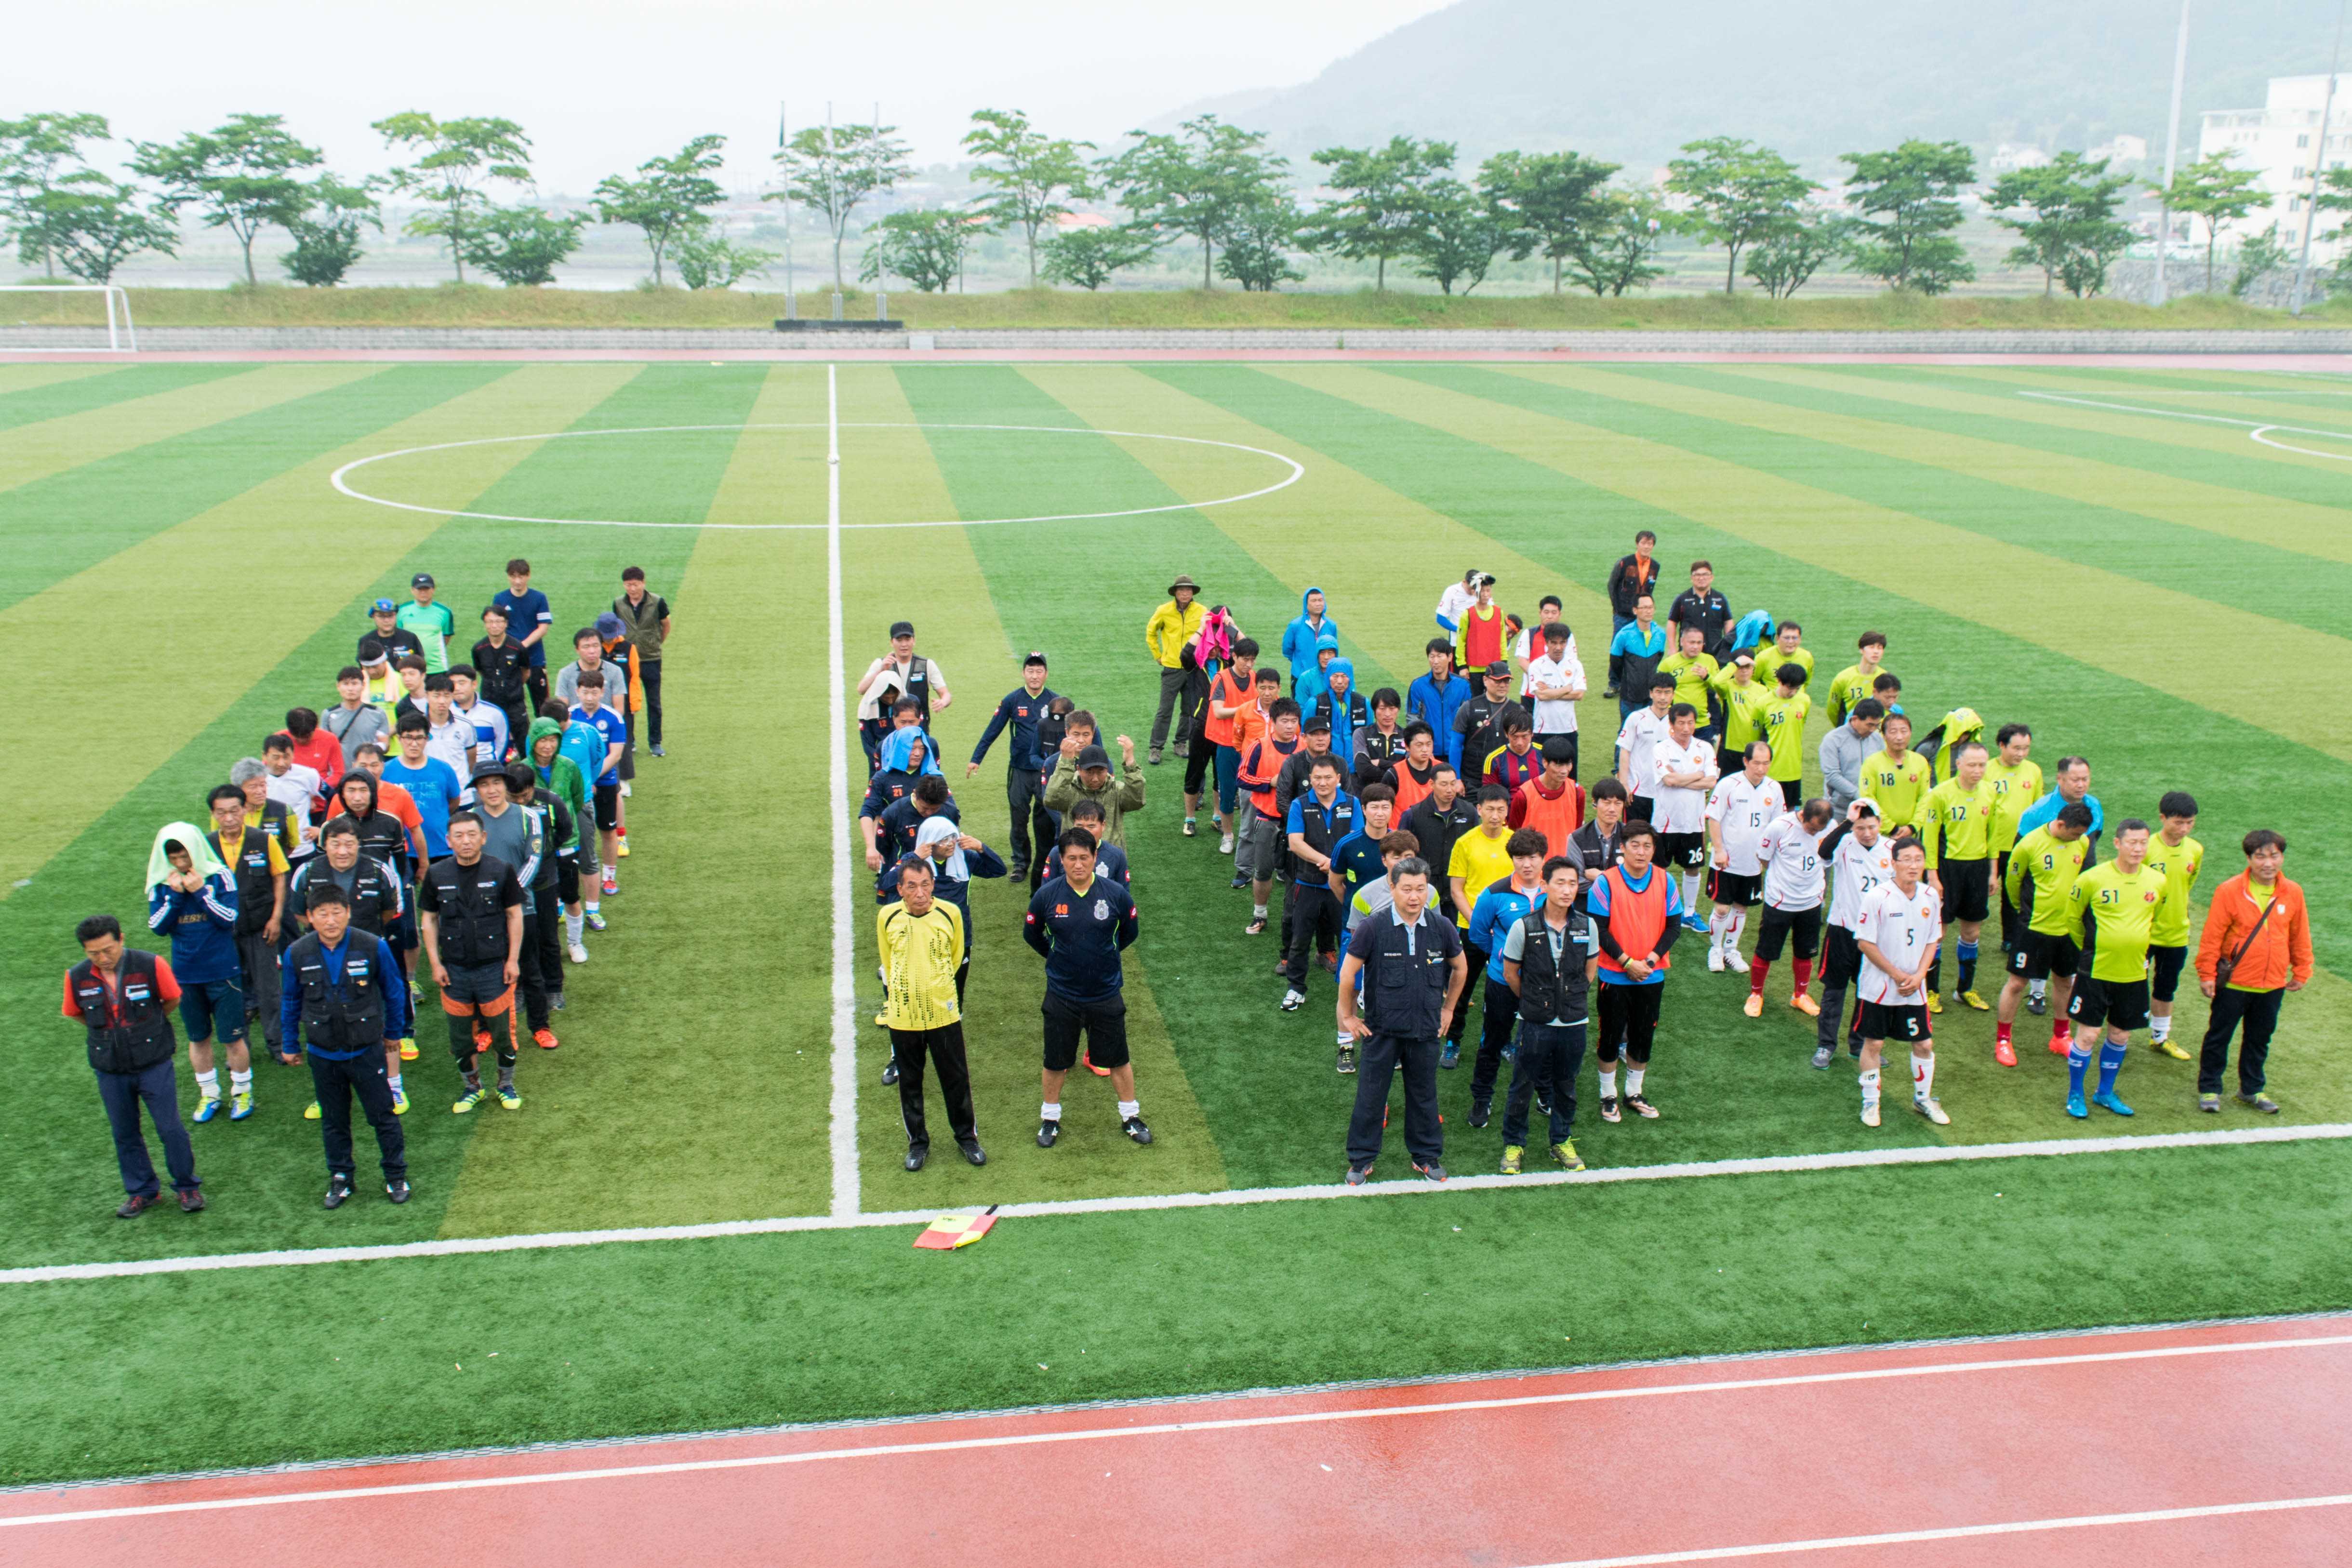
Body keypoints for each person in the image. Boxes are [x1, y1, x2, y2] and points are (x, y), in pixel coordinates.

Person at [279, 884, 411, 1208]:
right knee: (333, 1121)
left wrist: (394, 1033)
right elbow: (290, 1000)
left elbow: (395, 991)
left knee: (383, 1116)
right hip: (322, 1054)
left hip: (366, 1051)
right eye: (322, 914)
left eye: (336, 912)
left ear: (348, 913)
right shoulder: (296, 953)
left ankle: (395, 1175)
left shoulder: (373, 946)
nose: (330, 920)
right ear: (310, 917)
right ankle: (341, 1178)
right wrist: (289, 1043)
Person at [1338, 857, 1467, 1184]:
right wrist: (1348, 1016)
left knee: (1424, 1095)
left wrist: (1448, 1009)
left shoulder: (1442, 927)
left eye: (1420, 889)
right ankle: (1360, 1160)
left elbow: (1460, 968)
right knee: (1371, 1096)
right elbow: (1348, 972)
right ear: (1393, 888)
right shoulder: (1372, 927)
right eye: (1407, 889)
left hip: (1425, 1029)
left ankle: (1426, 1157)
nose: (1414, 896)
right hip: (1381, 1030)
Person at [64, 914, 202, 1216]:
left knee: (170, 1128)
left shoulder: (151, 964)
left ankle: (187, 1186)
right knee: (124, 1133)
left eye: (108, 950)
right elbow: (75, 1013)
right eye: (94, 954)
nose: (103, 959)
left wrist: (145, 1029)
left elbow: (172, 999)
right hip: (110, 1069)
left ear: (121, 939)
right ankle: (142, 1191)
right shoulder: (75, 976)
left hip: (154, 1064)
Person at [1025, 829, 1150, 1148]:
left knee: (1118, 1059)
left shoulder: (1115, 894)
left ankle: (1130, 1116)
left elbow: (1129, 933)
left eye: (1084, 857)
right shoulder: (1046, 896)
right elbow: (1032, 935)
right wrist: (1058, 957)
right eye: (1072, 858)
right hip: (1062, 995)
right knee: (1055, 1061)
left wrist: (1103, 958)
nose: (1078, 864)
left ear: (1095, 858)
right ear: (1061, 860)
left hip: (1105, 993)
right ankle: (1050, 1119)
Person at [2061, 819, 2181, 1120]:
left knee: (2120, 1034)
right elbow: (2072, 920)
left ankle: (2105, 1092)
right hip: (2096, 971)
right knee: (2088, 1035)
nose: (2138, 849)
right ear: (2117, 843)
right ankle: (2075, 1093)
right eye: (2132, 842)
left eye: (2143, 843)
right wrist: (2094, 949)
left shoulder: (2157, 881)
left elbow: (2156, 917)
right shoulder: (2091, 879)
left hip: (2133, 974)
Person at [290, 818, 410, 1112]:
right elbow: (300, 914)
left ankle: (394, 1085)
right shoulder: (306, 872)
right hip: (323, 957)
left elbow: (389, 911)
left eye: (349, 844)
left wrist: (361, 939)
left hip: (369, 954)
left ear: (360, 844)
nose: (343, 851)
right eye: (336, 844)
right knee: (325, 1016)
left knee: (378, 1014)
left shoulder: (380, 871)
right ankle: (327, 1091)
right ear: (324, 845)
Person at [877, 855, 985, 1169]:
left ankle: (967, 1138)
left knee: (956, 1080)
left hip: (944, 1015)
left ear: (933, 885)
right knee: (910, 1083)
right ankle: (917, 1144)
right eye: (912, 886)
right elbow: (888, 960)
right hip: (903, 1017)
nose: (920, 893)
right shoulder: (887, 917)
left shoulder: (950, 914)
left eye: (925, 885)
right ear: (900, 889)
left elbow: (956, 958)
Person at [417, 811, 526, 1114]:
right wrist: (435, 964)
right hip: (454, 972)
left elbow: (514, 915)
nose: (466, 841)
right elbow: (429, 920)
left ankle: (505, 1086)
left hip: (494, 971)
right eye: (459, 836)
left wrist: (512, 960)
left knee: (503, 1035)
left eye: (472, 835)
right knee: (460, 1039)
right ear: (448, 840)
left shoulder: (501, 870)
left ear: (484, 838)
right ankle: (472, 1088)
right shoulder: (437, 874)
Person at [2195, 829, 2310, 1115]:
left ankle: (2251, 1089)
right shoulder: (2229, 891)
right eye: (2260, 857)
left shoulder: (2293, 892)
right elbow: (2212, 936)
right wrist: (2207, 974)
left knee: (2259, 1039)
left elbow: (2299, 934)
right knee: (2219, 1037)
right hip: (2235, 983)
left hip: (2272, 984)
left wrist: (2302, 969)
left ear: (2282, 857)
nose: (2268, 863)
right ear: (2249, 859)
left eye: (2274, 856)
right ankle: (2210, 1088)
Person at [1498, 856, 1600, 1173]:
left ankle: (1561, 1140)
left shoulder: (1587, 926)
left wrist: (1570, 997)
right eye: (1560, 883)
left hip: (1574, 1022)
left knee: (1566, 1085)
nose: (1567, 890)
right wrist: (1535, 1001)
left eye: (1573, 884)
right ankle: (1514, 1144)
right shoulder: (1524, 926)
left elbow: (1590, 970)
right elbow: (1510, 973)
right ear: (1545, 885)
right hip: (1534, 1023)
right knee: (1522, 1084)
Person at [145, 824, 250, 1122]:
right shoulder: (161, 885)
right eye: (174, 858)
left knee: (232, 1038)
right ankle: (210, 1094)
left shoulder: (220, 875)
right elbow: (157, 927)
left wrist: (200, 893)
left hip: (223, 972)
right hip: (186, 976)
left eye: (185, 856)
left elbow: (229, 919)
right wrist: (176, 897)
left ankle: (242, 1092)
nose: (180, 864)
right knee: (198, 1037)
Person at [1587, 821, 1681, 1122]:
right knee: (1610, 1036)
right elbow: (1599, 928)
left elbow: (1674, 927)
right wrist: (1628, 962)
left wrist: (1648, 962)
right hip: (1614, 975)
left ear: (1654, 850)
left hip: (1651, 975)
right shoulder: (1605, 882)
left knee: (1643, 1036)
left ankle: (1633, 1093)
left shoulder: (1666, 881)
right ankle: (1608, 1096)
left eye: (1647, 846)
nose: (1641, 852)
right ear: (1623, 848)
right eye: (1635, 845)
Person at [1853, 837, 1946, 1128]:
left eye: (1918, 860)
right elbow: (1864, 943)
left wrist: (1920, 976)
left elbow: (1933, 940)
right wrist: (1896, 974)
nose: (1913, 865)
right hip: (1879, 988)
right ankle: (1870, 1103)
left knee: (1924, 1043)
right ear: (1893, 863)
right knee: (1874, 1043)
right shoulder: (1877, 897)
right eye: (1906, 859)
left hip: (1914, 988)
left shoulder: (1930, 896)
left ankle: (1923, 1099)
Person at [1995, 803, 2094, 1066]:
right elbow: (2012, 882)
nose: (2078, 838)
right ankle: (2003, 1041)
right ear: (2061, 825)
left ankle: (2061, 1037)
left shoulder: (2082, 842)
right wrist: (2023, 912)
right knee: (2017, 984)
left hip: (2067, 929)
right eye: (2075, 833)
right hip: (2034, 928)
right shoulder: (2029, 845)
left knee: (2065, 982)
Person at [1465, 828, 1551, 1127]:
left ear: (1543, 858)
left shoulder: (1555, 890)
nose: (1527, 864)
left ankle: (1546, 1095)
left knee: (1544, 1040)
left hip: (1544, 984)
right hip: (1502, 983)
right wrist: (1504, 957)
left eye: (1533, 857)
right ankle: (1482, 1099)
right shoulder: (1494, 894)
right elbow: (1478, 934)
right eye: (1520, 858)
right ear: (1511, 859)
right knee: (1493, 1041)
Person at [469, 763, 557, 1051]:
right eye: (485, 785)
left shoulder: (529, 817)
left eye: (497, 783)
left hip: (522, 909)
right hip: (482, 913)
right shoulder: (470, 819)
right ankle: (486, 1029)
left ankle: (540, 1027)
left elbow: (534, 860)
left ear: (505, 785)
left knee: (530, 969)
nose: (492, 790)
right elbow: (466, 862)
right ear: (477, 790)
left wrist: (507, 895)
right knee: (485, 972)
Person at [1913, 740, 1998, 1014]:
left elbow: (1993, 835)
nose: (1978, 770)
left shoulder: (1990, 792)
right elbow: (1929, 837)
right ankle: (1932, 991)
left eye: (1982, 765)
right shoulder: (1940, 794)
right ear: (1959, 764)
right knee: (1939, 932)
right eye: (1972, 765)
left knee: (1972, 932)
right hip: (1947, 869)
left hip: (1978, 869)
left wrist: (1993, 872)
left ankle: (1964, 990)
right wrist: (1933, 877)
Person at [204, 783, 288, 1062]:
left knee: (269, 990)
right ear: (214, 815)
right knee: (231, 991)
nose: (229, 818)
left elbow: (279, 877)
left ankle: (277, 1045)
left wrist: (276, 918)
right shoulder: (205, 846)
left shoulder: (264, 840)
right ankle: (240, 1049)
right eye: (222, 812)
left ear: (244, 810)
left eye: (234, 811)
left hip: (261, 928)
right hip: (222, 932)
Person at [1815, 801, 1895, 1070]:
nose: (1867, 833)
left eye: (1871, 827)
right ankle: (1826, 1045)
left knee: (1867, 991)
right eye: (1860, 828)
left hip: (1874, 936)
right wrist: (1847, 823)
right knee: (1834, 991)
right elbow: (1823, 852)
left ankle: (1858, 1043)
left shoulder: (1892, 849)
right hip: (1842, 929)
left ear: (1880, 824)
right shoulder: (1845, 842)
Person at [967, 652, 1060, 881]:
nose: (1035, 676)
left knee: (1047, 820)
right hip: (1019, 771)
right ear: (1024, 673)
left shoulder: (1056, 702)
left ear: (1046, 674)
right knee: (1019, 820)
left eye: (1039, 671)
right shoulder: (1012, 700)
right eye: (1031, 671)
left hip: (1046, 771)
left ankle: (1048, 862)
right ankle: (1020, 863)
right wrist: (976, 758)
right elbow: (993, 729)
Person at [1443, 785, 1515, 1069]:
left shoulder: (1515, 843)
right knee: (1462, 986)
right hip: (1471, 929)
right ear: (1479, 810)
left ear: (1507, 811)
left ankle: (1503, 1039)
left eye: (1501, 810)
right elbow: (1457, 890)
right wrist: (1479, 923)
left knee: (1506, 989)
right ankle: (1453, 1041)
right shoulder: (1465, 843)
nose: (1495, 815)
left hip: (1508, 933)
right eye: (1490, 809)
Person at [1743, 797, 1834, 1020]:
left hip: (1811, 902)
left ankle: (1800, 995)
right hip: (1780, 902)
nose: (1814, 833)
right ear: (1802, 815)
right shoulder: (1779, 827)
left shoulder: (1831, 828)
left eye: (1818, 831)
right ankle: (1756, 994)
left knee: (1805, 952)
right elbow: (1763, 857)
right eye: (1811, 829)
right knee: (1766, 951)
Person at [1282, 756, 1359, 1013]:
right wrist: (1328, 862)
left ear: (1338, 779)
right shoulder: (1299, 804)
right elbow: (1295, 843)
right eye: (1317, 778)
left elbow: (1356, 838)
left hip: (1343, 887)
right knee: (1299, 940)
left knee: (1350, 939)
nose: (1323, 783)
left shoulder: (1353, 803)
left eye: (1328, 778)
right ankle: (1296, 988)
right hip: (1308, 883)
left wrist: (1335, 865)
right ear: (1310, 779)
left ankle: (1357, 989)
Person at [2141, 792, 2205, 1060]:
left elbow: (2186, 885)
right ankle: (2117, 1036)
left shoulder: (2195, 850)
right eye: (2179, 822)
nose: (2185, 829)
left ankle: (2160, 1038)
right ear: (2163, 818)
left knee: (2166, 987)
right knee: (2131, 987)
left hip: (2177, 933)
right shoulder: (2146, 848)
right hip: (2143, 933)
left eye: (2190, 823)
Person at [1702, 741, 1776, 972]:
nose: (1761, 769)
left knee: (1741, 908)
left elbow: (1777, 826)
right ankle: (1716, 949)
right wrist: (1719, 850)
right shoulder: (1728, 785)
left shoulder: (1774, 789)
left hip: (1753, 863)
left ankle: (1731, 949)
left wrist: (1770, 857)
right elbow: (1714, 818)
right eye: (1756, 763)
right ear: (1746, 761)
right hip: (1726, 861)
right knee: (1722, 909)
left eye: (1766, 763)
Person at [528, 715, 594, 962]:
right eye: (543, 740)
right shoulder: (523, 769)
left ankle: (575, 943)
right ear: (533, 741)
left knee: (570, 894)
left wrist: (565, 823)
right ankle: (540, 945)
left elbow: (577, 798)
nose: (548, 746)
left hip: (566, 843)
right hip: (535, 845)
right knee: (538, 898)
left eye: (553, 740)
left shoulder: (568, 766)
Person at [1649, 701, 1718, 931]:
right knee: (1658, 869)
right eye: (1681, 723)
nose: (1686, 728)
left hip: (1694, 823)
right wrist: (1697, 776)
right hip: (1665, 823)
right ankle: (1656, 911)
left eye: (1690, 723)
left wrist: (1681, 779)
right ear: (1672, 724)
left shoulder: (1705, 748)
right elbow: (1668, 781)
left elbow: (1711, 781)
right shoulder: (1662, 749)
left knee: (1693, 868)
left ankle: (1689, 913)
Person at [1239, 698, 1303, 934]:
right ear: (1273, 722)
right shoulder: (1259, 746)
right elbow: (1242, 778)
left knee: (1297, 873)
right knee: (1264, 870)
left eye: (1294, 721)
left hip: (1299, 821)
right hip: (1267, 818)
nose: (1290, 726)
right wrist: (1270, 782)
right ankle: (1260, 914)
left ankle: (1296, 917)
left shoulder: (1306, 746)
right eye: (1284, 721)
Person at [1984, 723, 2043, 961]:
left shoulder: (2034, 771)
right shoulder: (1986, 770)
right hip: (1989, 846)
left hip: (2021, 846)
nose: (2021, 753)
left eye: (2025, 748)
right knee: (1982, 891)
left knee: (2014, 895)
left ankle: (2010, 939)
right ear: (2002, 745)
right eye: (2016, 748)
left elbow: (2038, 808)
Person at [569, 669, 628, 897]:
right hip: (574, 785)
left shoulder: (614, 718)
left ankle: (609, 877)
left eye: (594, 693)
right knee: (573, 832)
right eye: (585, 692)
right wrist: (582, 781)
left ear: (603, 692)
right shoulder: (569, 716)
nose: (590, 698)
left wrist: (590, 779)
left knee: (608, 831)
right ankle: (574, 877)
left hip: (605, 783)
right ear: (577, 692)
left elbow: (615, 755)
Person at [381, 712, 465, 866]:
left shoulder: (443, 769)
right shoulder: (386, 771)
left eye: (419, 738)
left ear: (427, 739)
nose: (414, 744)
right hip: (401, 848)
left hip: (440, 846)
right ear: (399, 739)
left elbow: (454, 801)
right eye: (409, 737)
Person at [1143, 573, 1205, 765]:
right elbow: (1150, 632)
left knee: (1189, 709)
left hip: (1194, 669)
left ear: (1193, 592)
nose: (1185, 593)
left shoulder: (1202, 611)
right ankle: (1156, 748)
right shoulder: (1164, 611)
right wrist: (1158, 655)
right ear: (1175, 593)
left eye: (1188, 590)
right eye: (1181, 590)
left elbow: (1208, 636)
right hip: (1171, 668)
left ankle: (1181, 743)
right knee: (1165, 710)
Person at [1045, 736, 1148, 848]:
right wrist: (1065, 763)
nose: (1095, 779)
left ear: (1107, 768)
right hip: (1076, 854)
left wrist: (1130, 763)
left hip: (1110, 855)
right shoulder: (1069, 791)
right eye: (1089, 772)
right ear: (1079, 769)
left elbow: (1136, 801)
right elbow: (1052, 801)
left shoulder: (1117, 791)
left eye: (1100, 772)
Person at [610, 567, 670, 756]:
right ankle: (630, 740)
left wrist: (656, 643)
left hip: (651, 659)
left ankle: (655, 742)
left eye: (636, 585)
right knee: (626, 702)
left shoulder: (657, 602)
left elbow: (666, 625)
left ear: (643, 583)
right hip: (627, 660)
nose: (632, 589)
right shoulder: (618, 604)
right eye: (628, 585)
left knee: (654, 702)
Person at [1519, 621, 1585, 778]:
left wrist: (1550, 691)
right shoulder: (1536, 665)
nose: (1558, 647)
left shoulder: (1575, 665)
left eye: (1562, 643)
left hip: (1568, 729)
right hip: (1543, 730)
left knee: (1569, 776)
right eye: (1554, 643)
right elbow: (1541, 696)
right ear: (1547, 643)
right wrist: (1567, 688)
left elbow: (1579, 695)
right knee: (1542, 775)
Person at [491, 558, 555, 716]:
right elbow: (497, 625)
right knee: (509, 704)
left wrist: (522, 646)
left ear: (528, 576)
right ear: (508, 577)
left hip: (535, 660)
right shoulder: (500, 599)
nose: (518, 581)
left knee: (542, 706)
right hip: (509, 659)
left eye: (521, 577)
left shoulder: (539, 598)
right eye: (513, 577)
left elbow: (543, 628)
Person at [1856, 711, 1931, 840]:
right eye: (1893, 732)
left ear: (1910, 733)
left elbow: (1925, 798)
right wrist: (1892, 828)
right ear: (1884, 736)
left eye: (1904, 731)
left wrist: (1913, 827)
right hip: (1880, 836)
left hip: (1912, 835)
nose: (1900, 737)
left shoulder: (1920, 761)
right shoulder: (1872, 763)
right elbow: (1868, 799)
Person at [1507, 738, 1584, 861]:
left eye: (1568, 764)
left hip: (1566, 865)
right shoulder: (1524, 795)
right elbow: (1514, 834)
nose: (1564, 771)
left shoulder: (1577, 793)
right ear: (1545, 763)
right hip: (1534, 867)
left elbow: (1578, 832)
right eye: (1558, 765)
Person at [1614, 673, 1676, 823]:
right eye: (1658, 692)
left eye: (1667, 693)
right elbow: (1625, 751)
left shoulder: (1678, 722)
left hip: (1667, 792)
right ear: (1651, 694)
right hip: (1638, 792)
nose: (1663, 698)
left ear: (1673, 695)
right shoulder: (1636, 718)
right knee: (1634, 834)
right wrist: (1624, 784)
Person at [473, 605, 534, 752]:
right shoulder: (478, 649)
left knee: (523, 740)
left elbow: (525, 672)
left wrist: (513, 686)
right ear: (485, 624)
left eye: (498, 621)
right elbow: (481, 671)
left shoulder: (518, 648)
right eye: (490, 622)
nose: (494, 626)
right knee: (491, 740)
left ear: (506, 623)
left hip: (514, 703)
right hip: (490, 702)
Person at [1408, 638, 1473, 771]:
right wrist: (1424, 748)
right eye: (1432, 657)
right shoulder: (1418, 685)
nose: (1435, 661)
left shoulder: (1463, 685)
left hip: (1457, 751)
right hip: (1428, 753)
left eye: (1440, 656)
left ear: (1450, 657)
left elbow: (1469, 719)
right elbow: (1413, 719)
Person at [1604, 532, 1660, 685]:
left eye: (1650, 544)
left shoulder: (1655, 566)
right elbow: (1612, 585)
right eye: (1644, 543)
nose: (1646, 547)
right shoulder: (1625, 563)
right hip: (1622, 614)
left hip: (1642, 615)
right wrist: (1618, 607)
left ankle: (1637, 681)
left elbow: (1649, 590)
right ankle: (1615, 683)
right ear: (1637, 544)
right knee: (1618, 648)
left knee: (1641, 647)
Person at [1707, 651, 1771, 783]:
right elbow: (1717, 682)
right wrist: (1734, 664)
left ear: (1753, 668)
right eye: (1740, 667)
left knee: (1752, 783)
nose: (1744, 671)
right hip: (1730, 746)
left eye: (1748, 666)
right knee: (1726, 784)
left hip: (1753, 747)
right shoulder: (1728, 687)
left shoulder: (1763, 690)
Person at [1754, 663, 1810, 811]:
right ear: (1780, 681)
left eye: (1797, 688)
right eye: (1790, 688)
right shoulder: (1763, 704)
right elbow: (1756, 736)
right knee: (1767, 809)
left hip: (1793, 768)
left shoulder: (1805, 700)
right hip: (1770, 769)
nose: (1794, 692)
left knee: (1791, 811)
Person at [1454, 662, 1520, 783]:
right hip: (1473, 779)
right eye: (1498, 681)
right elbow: (1456, 745)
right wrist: (1457, 779)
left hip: (1507, 779)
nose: (1503, 685)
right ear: (1485, 680)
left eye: (1507, 681)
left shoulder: (1518, 710)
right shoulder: (1469, 707)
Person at [1819, 698, 1886, 815]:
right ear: (1855, 719)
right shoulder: (1833, 739)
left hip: (1870, 808)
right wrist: (1860, 795)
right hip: (1839, 809)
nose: (1873, 730)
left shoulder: (1877, 739)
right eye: (1870, 725)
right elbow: (1832, 776)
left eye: (1877, 725)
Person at [1658, 625, 1720, 749]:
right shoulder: (1669, 664)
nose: (1696, 646)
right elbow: (1658, 690)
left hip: (1702, 723)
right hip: (1677, 723)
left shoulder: (1709, 661)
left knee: (1703, 758)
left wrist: (1707, 677)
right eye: (1692, 643)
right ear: (1682, 642)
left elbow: (1720, 688)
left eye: (1699, 643)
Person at [1607, 595, 1668, 719]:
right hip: (1630, 697)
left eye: (1651, 607)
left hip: (1651, 695)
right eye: (1644, 608)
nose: (1649, 611)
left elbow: (1658, 658)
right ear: (1635, 610)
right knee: (1628, 728)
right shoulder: (1624, 635)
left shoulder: (1660, 633)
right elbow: (1615, 663)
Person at [324, 668, 391, 771]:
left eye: (355, 684)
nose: (350, 689)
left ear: (363, 685)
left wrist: (372, 750)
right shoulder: (328, 715)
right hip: (338, 774)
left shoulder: (378, 714)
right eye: (346, 684)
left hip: (368, 774)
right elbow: (324, 746)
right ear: (338, 686)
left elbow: (385, 744)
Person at [1569, 777, 1629, 891]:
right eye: (1607, 803)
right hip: (1587, 902)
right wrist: (1619, 884)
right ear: (1594, 804)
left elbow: (1637, 877)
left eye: (1618, 804)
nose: (1612, 809)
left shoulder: (1631, 836)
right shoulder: (1577, 838)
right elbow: (1576, 883)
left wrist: (1600, 876)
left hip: (1623, 902)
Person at [1352, 686, 1410, 800]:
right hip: (1369, 795)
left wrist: (1380, 763)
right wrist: (1396, 771)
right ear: (1374, 710)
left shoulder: (1407, 735)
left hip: (1400, 795)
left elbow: (1409, 768)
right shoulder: (1362, 733)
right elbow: (1364, 770)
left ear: (1398, 709)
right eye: (1382, 709)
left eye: (1392, 708)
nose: (1388, 714)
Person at [1668, 559, 1733, 660]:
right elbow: (1672, 622)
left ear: (1711, 577)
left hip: (1715, 653)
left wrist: (1728, 647)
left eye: (1705, 575)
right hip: (1689, 654)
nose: (1701, 578)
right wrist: (1672, 648)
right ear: (1691, 578)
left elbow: (1728, 622)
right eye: (1697, 575)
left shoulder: (1720, 599)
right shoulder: (1682, 599)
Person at [1825, 632, 1892, 728]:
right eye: (1872, 647)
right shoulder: (1843, 678)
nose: (1876, 652)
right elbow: (1832, 710)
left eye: (1880, 648)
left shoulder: (1886, 679)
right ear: (1861, 650)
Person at [448, 665, 509, 770]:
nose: (457, 688)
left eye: (462, 683)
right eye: (452, 684)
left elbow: (502, 744)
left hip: (487, 771)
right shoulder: (444, 712)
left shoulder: (495, 713)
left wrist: (491, 766)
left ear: (474, 685)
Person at [1281, 587, 1336, 700]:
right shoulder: (1295, 625)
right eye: (1314, 601)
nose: (1318, 604)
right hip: (1300, 675)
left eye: (1320, 600)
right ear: (1306, 604)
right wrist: (1300, 662)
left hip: (1324, 675)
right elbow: (1287, 650)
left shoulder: (1331, 625)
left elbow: (1333, 649)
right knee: (1299, 707)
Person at [420, 674, 476, 781]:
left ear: (452, 697)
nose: (442, 701)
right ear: (427, 697)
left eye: (447, 696)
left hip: (461, 787)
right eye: (436, 696)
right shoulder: (418, 725)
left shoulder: (465, 725)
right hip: (430, 785)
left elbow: (471, 759)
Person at [397, 571, 455, 672]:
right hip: (410, 668)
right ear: (412, 590)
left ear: (433, 590)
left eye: (427, 589)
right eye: (420, 589)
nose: (423, 592)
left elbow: (446, 637)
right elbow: (399, 636)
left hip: (437, 668)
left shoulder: (445, 612)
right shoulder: (401, 611)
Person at [1456, 574, 1508, 673]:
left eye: (1488, 591)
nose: (1485, 594)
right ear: (1474, 592)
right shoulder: (1467, 615)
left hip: (1495, 667)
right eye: (1482, 591)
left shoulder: (1499, 613)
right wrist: (1462, 666)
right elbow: (1461, 641)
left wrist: (1504, 661)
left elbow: (1502, 639)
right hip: (1474, 668)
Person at [363, 597, 425, 669]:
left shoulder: (410, 638)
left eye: (390, 615)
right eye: (381, 616)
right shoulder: (366, 641)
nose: (386, 620)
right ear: (373, 616)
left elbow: (420, 665)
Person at [1434, 568, 1487, 640]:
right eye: (1471, 589)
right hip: (1458, 640)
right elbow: (1440, 618)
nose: (1473, 592)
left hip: (1480, 639)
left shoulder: (1484, 592)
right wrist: (1459, 630)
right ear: (1464, 582)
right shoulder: (1452, 591)